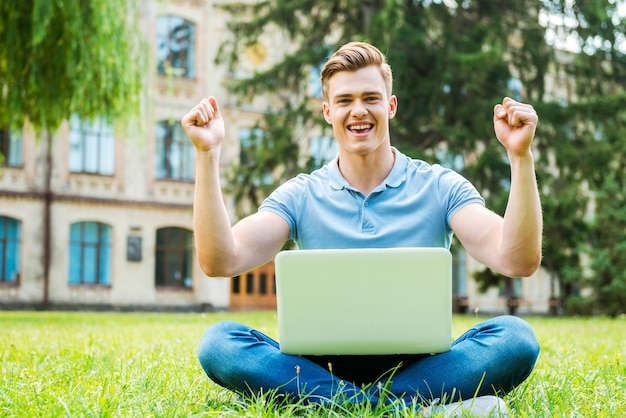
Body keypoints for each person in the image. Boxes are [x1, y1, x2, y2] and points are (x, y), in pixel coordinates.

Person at [182, 41, 542, 416]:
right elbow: (221, 260)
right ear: (327, 111)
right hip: (320, 367)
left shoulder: (439, 185)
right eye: (344, 100)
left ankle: (321, 406)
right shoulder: (302, 193)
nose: (358, 111)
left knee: (516, 339)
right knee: (220, 343)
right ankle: (408, 410)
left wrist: (520, 156)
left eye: (371, 98)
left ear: (391, 106)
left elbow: (516, 260)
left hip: (423, 368)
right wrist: (207, 155)